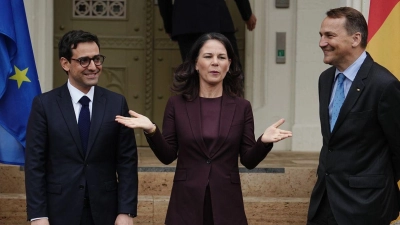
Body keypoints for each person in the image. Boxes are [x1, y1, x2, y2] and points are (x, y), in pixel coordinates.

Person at [115, 32, 292, 225]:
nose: (215, 62)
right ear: (196, 64)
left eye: (221, 57)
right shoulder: (176, 105)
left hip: (227, 204)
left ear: (229, 64)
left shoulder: (242, 107)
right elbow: (167, 156)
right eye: (208, 56)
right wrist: (151, 130)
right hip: (185, 203)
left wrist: (263, 142)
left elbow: (249, 160)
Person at [25, 30, 138, 225]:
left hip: (106, 211)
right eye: (84, 60)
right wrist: (38, 215)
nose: (93, 67)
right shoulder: (45, 105)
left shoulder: (116, 103)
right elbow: (35, 164)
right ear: (65, 63)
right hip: (59, 210)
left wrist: (126, 211)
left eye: (97, 59)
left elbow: (127, 161)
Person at [307, 7, 400, 225]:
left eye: (329, 36)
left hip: (366, 206)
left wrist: (372, 183)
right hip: (325, 202)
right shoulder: (325, 79)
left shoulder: (384, 84)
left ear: (355, 38)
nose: (322, 43)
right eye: (321, 36)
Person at [158, 0, 257, 61]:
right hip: (217, 20)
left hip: (186, 23)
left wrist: (170, 26)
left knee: (194, 79)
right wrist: (247, 14)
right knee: (230, 76)